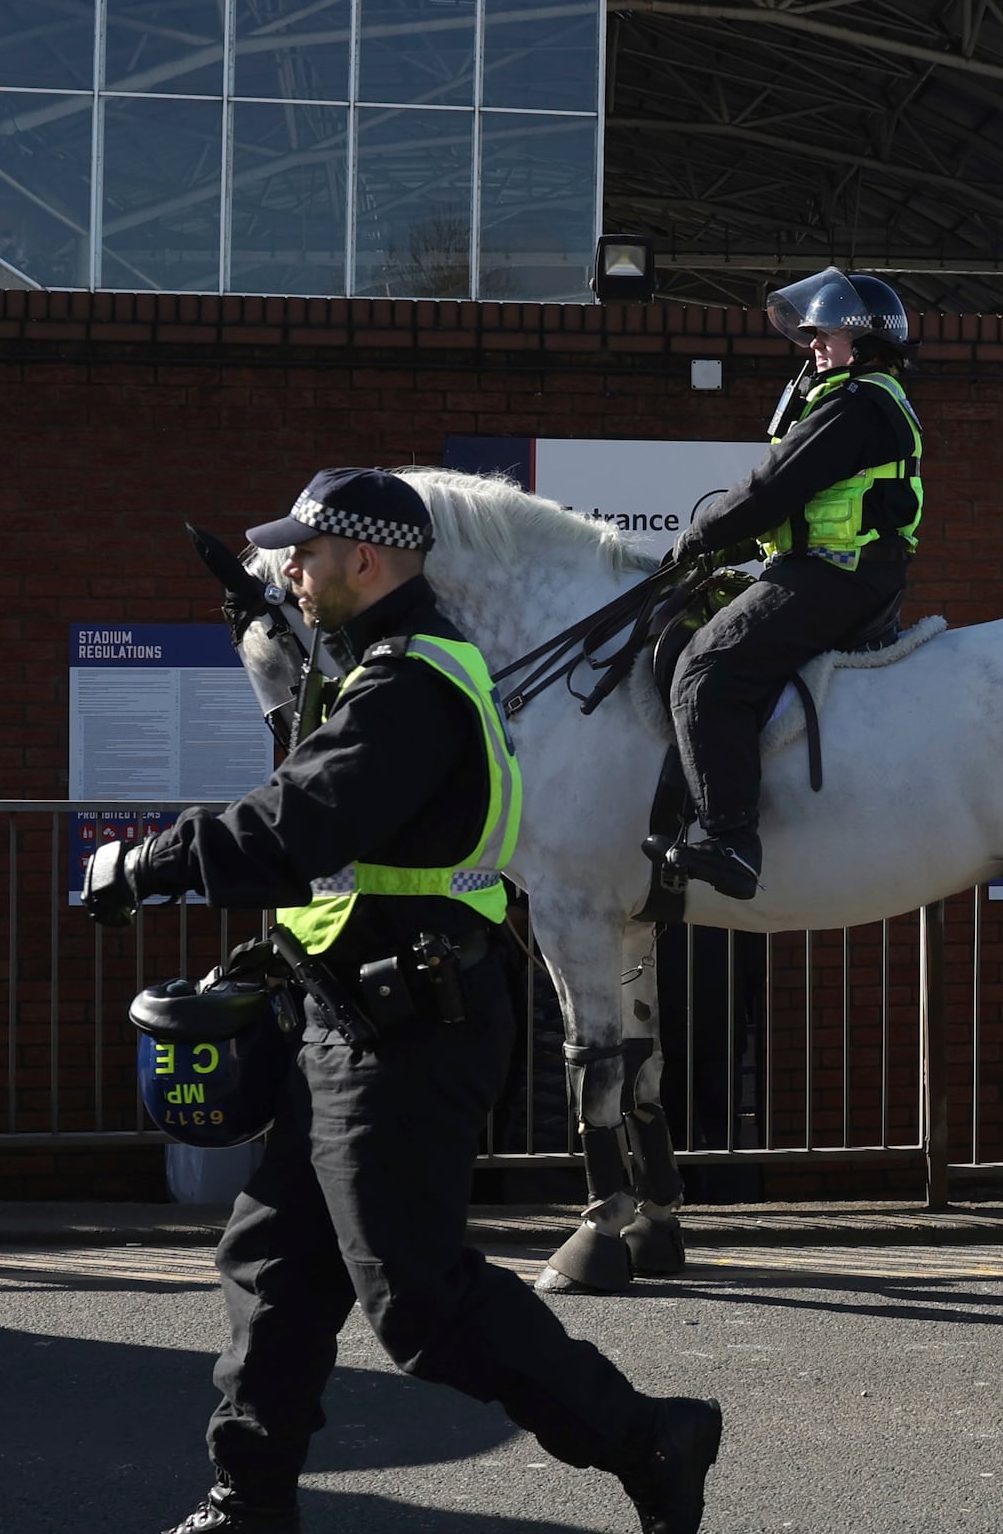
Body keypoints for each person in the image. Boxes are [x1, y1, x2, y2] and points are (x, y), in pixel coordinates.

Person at [80, 465, 722, 1534]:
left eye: (308, 551)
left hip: (413, 1030)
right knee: (273, 1263)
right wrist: (268, 959)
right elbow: (352, 872)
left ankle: (648, 1435)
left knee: (418, 1301)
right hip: (351, 1009)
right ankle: (249, 1497)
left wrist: (145, 866)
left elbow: (294, 829)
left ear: (365, 559)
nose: (291, 567)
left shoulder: (412, 687)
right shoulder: (378, 671)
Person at [644, 266, 925, 901]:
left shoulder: (857, 403)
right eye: (812, 334)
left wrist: (696, 538)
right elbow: (795, 505)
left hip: (835, 577)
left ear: (866, 341)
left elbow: (771, 489)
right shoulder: (856, 401)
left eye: (826, 334)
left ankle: (731, 841)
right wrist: (729, 548)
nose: (813, 344)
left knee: (704, 669)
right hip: (833, 570)